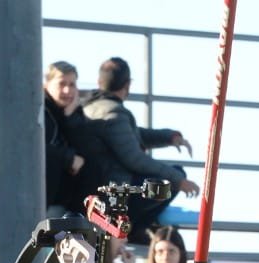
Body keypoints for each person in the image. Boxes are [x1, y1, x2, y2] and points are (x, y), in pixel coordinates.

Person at [79, 56, 200, 235]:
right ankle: (136, 229)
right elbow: (134, 159)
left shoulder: (93, 106)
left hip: (100, 185)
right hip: (114, 191)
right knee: (168, 181)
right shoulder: (113, 113)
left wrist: (170, 137)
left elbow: (133, 135)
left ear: (99, 82)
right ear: (128, 85)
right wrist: (178, 180)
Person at [43, 61, 98, 212]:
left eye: (72, 84)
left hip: (66, 201)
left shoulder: (72, 114)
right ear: (47, 84)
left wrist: (70, 117)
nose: (67, 90)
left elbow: (87, 150)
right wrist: (68, 158)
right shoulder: (41, 111)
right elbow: (34, 148)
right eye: (62, 84)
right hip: (45, 201)